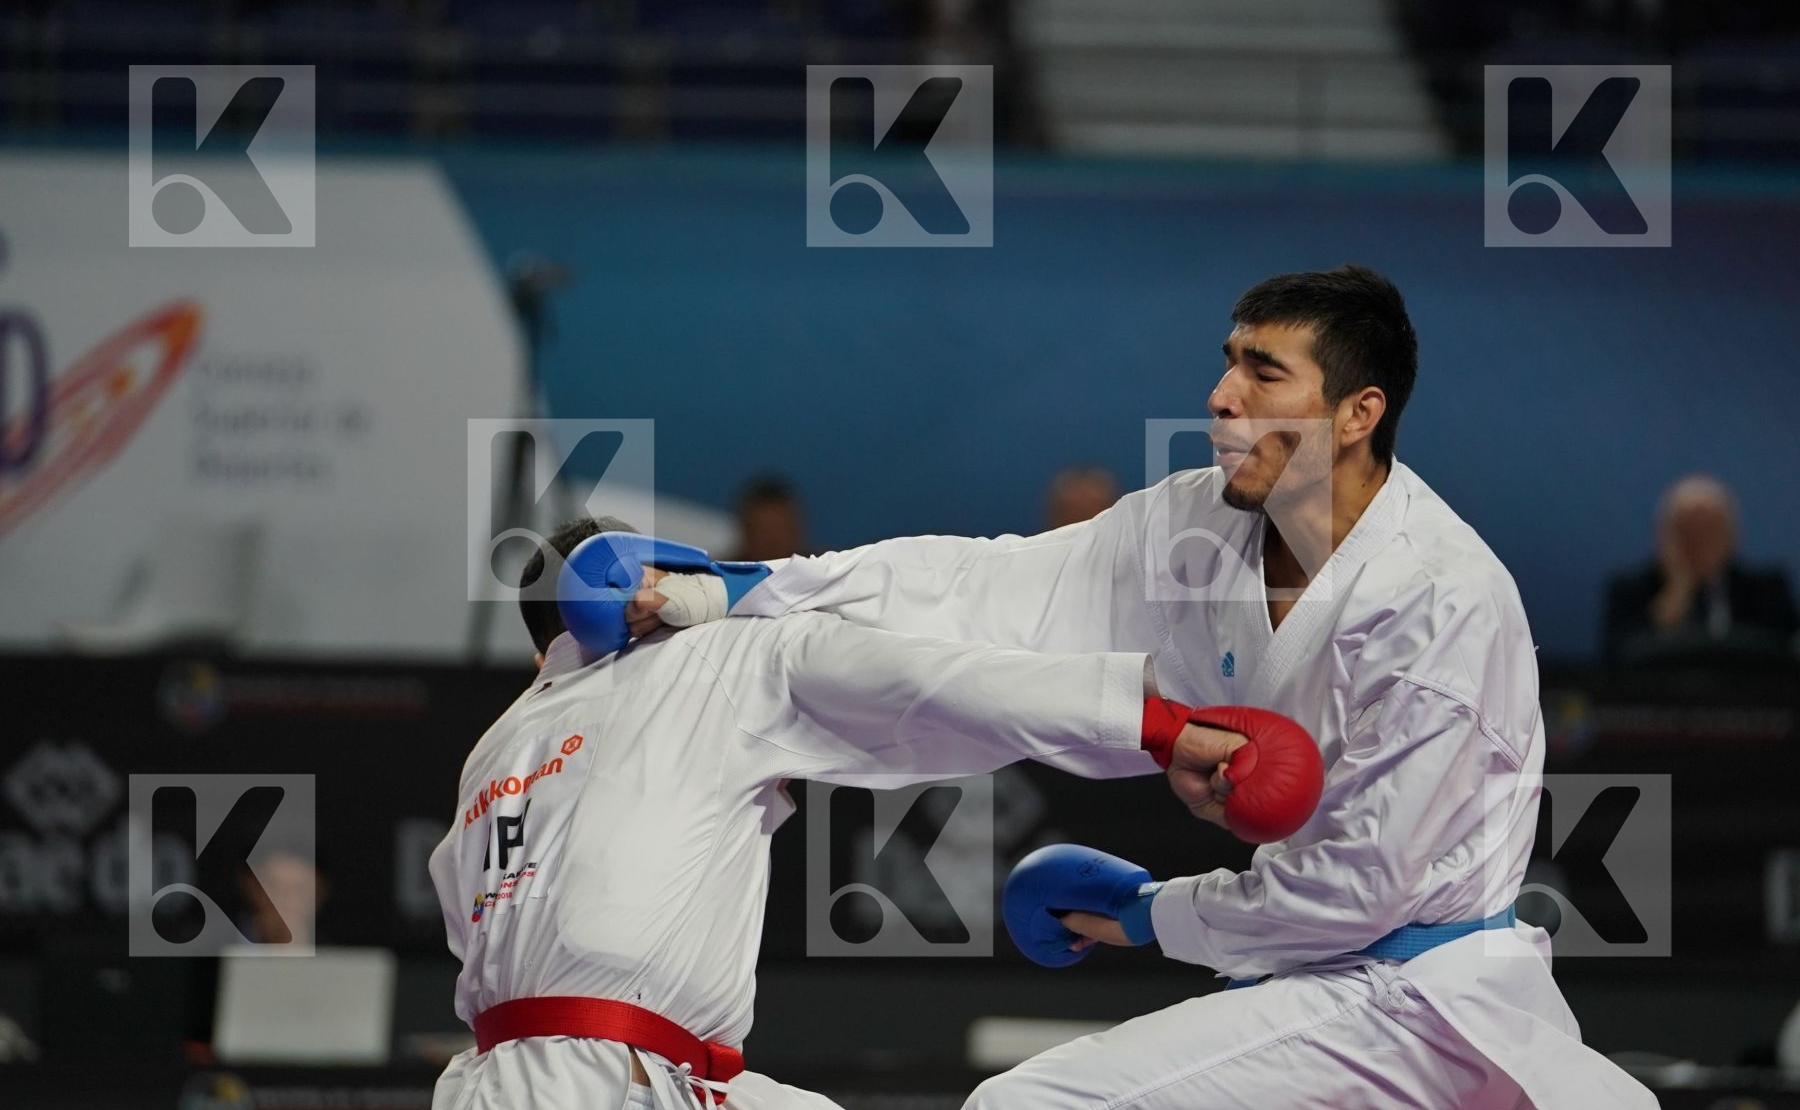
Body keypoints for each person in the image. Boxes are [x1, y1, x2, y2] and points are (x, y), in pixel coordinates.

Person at [630, 265, 1657, 1109]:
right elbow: (985, 587)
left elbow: (1362, 891)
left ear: (1357, 414)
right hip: (1316, 982)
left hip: (1419, 1000)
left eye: (1265, 374)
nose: (1222, 397)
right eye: (1227, 365)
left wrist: (1145, 914)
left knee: (1030, 1108)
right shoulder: (1195, 527)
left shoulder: (1440, 599)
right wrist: (753, 591)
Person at [428, 515, 1315, 1110]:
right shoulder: (713, 662)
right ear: (627, 586)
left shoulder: (492, 751)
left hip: (519, 1081)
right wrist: (1160, 724)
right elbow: (931, 682)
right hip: (605, 1084)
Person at [1601, 473, 1798, 668]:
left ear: (1732, 537)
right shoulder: (1631, 589)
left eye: (1710, 530)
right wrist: (1677, 593)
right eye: (1687, 531)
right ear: (1664, 536)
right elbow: (1619, 659)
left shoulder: (1766, 588)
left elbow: (1785, 651)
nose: (1699, 542)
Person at [732, 476, 808, 562]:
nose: (772, 540)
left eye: (779, 528)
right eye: (762, 530)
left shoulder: (819, 571)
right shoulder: (721, 574)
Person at [1043, 464, 1119, 530]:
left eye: (1092, 506)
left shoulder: (1127, 545)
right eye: (1074, 510)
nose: (1083, 514)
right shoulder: (1036, 545)